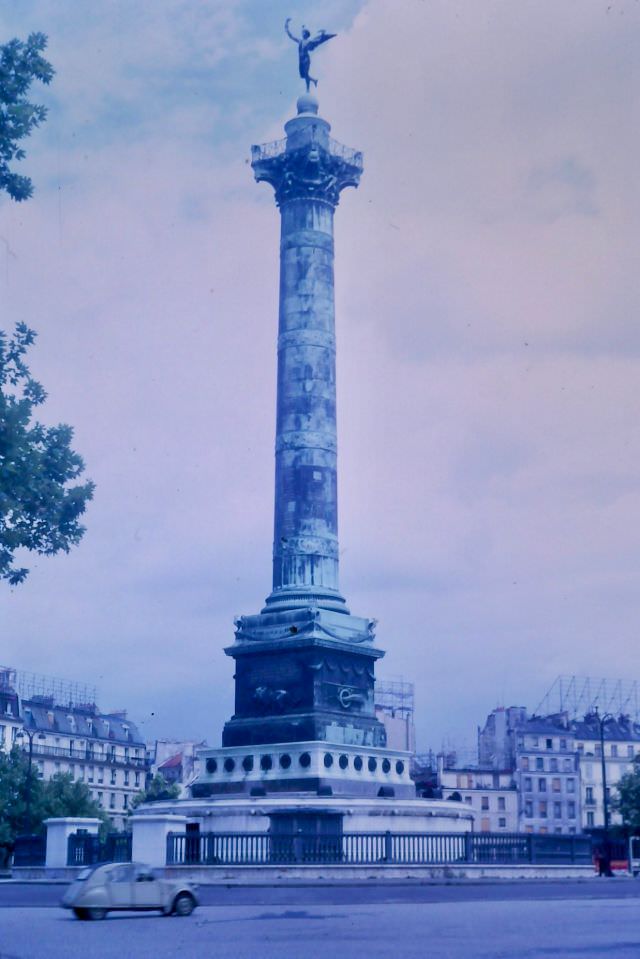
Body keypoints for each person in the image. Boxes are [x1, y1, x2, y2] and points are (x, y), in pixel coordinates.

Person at [285, 19, 336, 91]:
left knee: (306, 74)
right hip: (301, 60)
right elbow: (291, 36)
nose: (302, 34)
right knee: (304, 75)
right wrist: (286, 26)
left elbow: (318, 40)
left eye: (303, 33)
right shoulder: (300, 41)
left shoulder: (309, 41)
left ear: (306, 34)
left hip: (306, 59)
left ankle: (308, 89)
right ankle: (314, 81)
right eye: (302, 33)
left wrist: (322, 34)